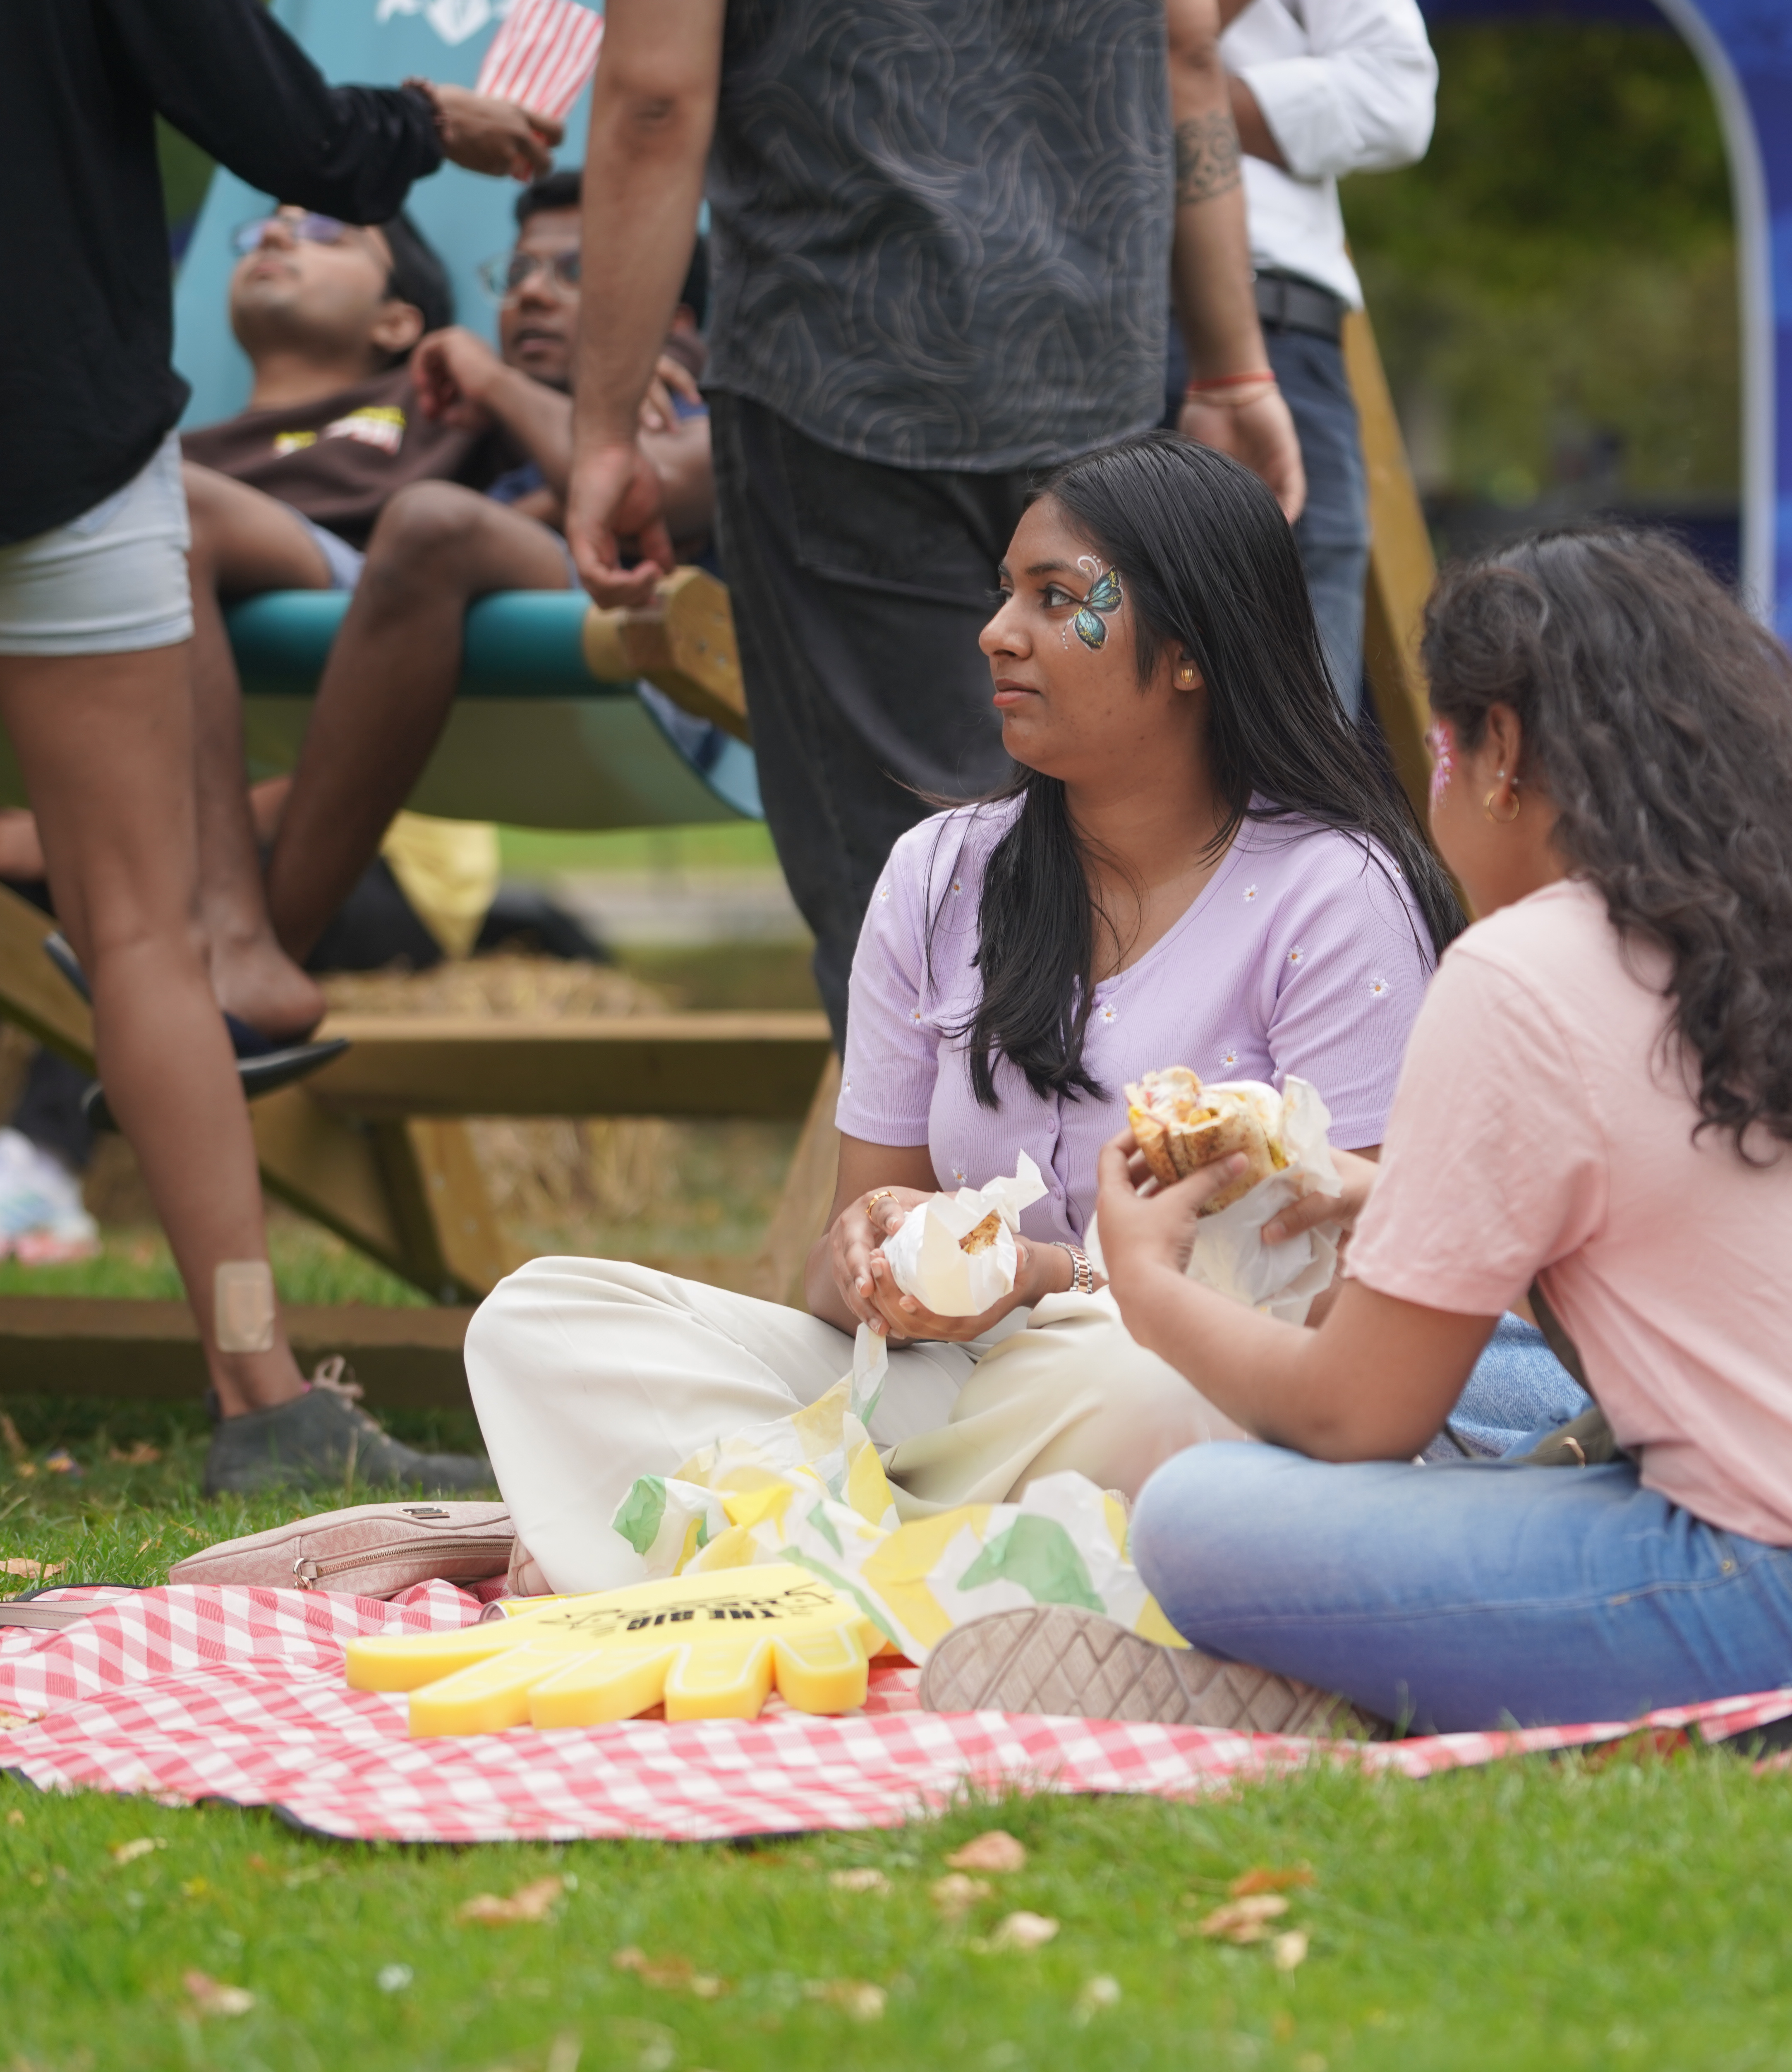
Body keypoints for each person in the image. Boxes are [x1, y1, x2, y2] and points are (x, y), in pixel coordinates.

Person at [913, 525, 1792, 1736]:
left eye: (1442, 749)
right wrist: (1392, 1200)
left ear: (1500, 752)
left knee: (1203, 1517)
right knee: (1509, 1455)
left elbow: (1359, 1413)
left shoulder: (1528, 963)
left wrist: (1147, 1285)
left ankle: (1347, 1689)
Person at [0, 0, 556, 1508]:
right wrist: (433, 121)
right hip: (56, 447)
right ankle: (260, 1396)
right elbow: (292, 132)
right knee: (143, 940)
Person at [465, 434, 1532, 1594]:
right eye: (1005, 593)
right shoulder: (939, 874)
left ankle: (777, 1533)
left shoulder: (1334, 893)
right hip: (949, 1388)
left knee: (1143, 1392)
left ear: (1188, 653)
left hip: (1182, 1389)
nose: (997, 632)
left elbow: (1341, 1302)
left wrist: (1051, 1277)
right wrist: (872, 1258)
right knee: (541, 1319)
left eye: (1056, 598)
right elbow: (841, 1273)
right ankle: (915, 1555)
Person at [553, 0, 1306, 1035]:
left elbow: (656, 95)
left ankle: (958, 1159)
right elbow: (1186, 46)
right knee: (1125, 862)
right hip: (1089, 377)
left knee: (910, 900)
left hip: (837, 377)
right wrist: (1233, 365)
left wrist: (606, 424)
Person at [178, 172, 714, 994]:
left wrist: (497, 379)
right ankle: (235, 961)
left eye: (576, 273)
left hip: (654, 667)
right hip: (475, 670)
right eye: (519, 272)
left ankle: (252, 957)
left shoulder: (685, 394)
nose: (532, 293)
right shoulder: (489, 427)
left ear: (672, 321)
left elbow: (653, 491)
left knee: (432, 523)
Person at [1172, 0, 1449, 710]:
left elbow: (1397, 101)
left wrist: (1150, 107)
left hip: (1270, 319)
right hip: (1097, 316)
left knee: (1285, 726)